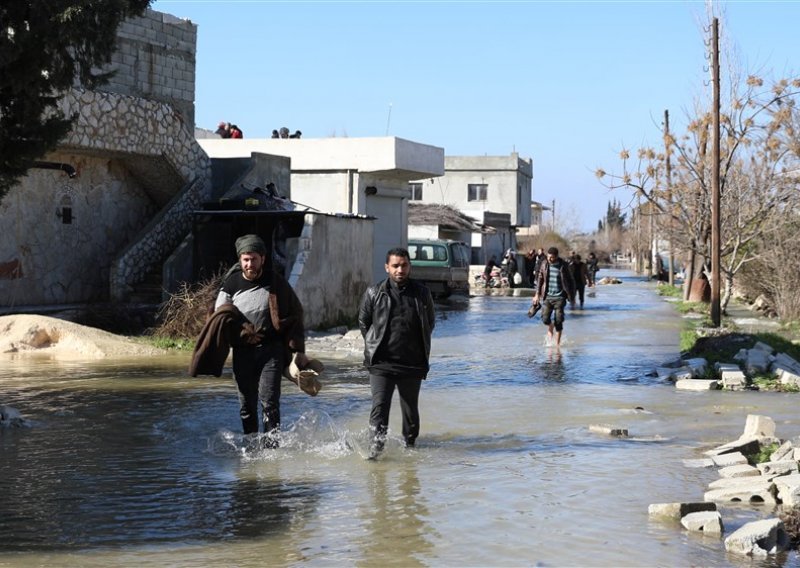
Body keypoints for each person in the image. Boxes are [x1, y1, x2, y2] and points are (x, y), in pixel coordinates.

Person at [212, 234, 306, 445]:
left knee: (269, 401)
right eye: (245, 259)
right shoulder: (231, 283)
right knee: (246, 404)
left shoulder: (276, 282)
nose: (250, 264)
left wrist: (297, 349)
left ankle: (272, 449)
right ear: (240, 260)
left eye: (254, 259)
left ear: (262, 258)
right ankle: (251, 445)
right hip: (242, 352)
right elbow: (219, 316)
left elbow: (296, 312)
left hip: (271, 351)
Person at [358, 247, 435, 459]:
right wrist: (373, 344)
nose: (400, 270)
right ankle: (376, 451)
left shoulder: (422, 293)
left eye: (404, 265)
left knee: (410, 411)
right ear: (387, 267)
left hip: (412, 363)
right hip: (381, 363)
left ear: (409, 266)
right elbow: (364, 322)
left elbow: (429, 323)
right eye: (395, 266)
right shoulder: (374, 292)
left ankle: (410, 449)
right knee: (379, 407)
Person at [532, 247, 576, 346]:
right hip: (547, 296)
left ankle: (557, 344)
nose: (549, 259)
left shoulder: (563, 266)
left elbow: (571, 281)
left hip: (560, 297)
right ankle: (550, 326)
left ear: (556, 256)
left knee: (559, 320)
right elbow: (540, 279)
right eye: (548, 257)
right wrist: (537, 294)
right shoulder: (544, 264)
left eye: (551, 257)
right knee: (545, 319)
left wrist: (572, 297)